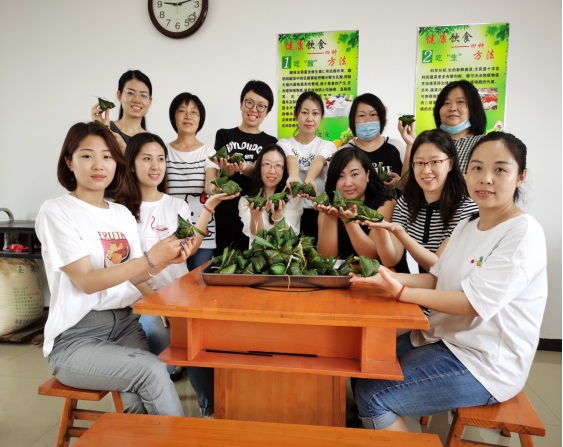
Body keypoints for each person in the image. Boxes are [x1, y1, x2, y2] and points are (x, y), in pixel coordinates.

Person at [351, 132, 547, 432]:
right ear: (466, 173)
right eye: (477, 168)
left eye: (500, 169)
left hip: (485, 362)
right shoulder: (468, 225)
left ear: (520, 176)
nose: (486, 179)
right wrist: (382, 278)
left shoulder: (522, 233)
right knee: (365, 359)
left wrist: (401, 291)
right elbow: (435, 279)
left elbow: (472, 304)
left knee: (372, 394)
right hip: (445, 339)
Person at [35, 122, 195, 416]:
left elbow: (132, 276)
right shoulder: (56, 211)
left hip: (124, 325)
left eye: (107, 156)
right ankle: (182, 436)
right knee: (151, 370)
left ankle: (147, 434)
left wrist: (164, 260)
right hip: (76, 338)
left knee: (138, 402)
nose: (99, 165)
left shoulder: (121, 214)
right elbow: (87, 281)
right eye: (87, 156)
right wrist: (150, 258)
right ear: (69, 162)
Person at [115, 132, 230, 417]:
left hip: (177, 297)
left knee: (199, 336)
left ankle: (210, 410)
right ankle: (152, 407)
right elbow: (124, 270)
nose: (155, 166)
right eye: (146, 159)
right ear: (131, 165)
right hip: (141, 299)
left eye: (160, 159)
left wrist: (209, 207)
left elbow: (189, 247)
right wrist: (155, 302)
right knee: (161, 330)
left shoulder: (176, 205)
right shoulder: (119, 212)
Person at [368, 129, 477, 274]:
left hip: (448, 286)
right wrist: (380, 229)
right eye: (419, 162)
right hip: (414, 283)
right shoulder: (406, 203)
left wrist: (402, 234)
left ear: (450, 164)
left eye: (435, 162)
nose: (426, 170)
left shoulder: (467, 210)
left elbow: (439, 268)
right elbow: (391, 260)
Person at [315, 147, 408, 273]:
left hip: (384, 276)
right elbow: (326, 258)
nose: (348, 183)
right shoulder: (328, 208)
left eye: (354, 174)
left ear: (367, 175)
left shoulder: (385, 204)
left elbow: (372, 257)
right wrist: (330, 216)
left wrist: (348, 220)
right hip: (347, 278)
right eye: (340, 176)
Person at [213, 80, 277, 254]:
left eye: (261, 106)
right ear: (241, 104)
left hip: (254, 210)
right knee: (225, 259)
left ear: (267, 111)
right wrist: (229, 170)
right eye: (249, 102)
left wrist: (243, 167)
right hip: (226, 208)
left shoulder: (271, 142)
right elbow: (223, 173)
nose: (254, 109)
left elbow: (263, 174)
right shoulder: (224, 135)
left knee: (254, 258)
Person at [164, 92, 220, 270]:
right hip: (169, 233)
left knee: (198, 283)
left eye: (194, 112)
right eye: (182, 111)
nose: (188, 116)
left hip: (202, 234)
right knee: (170, 283)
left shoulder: (208, 152)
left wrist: (220, 189)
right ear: (174, 116)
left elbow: (210, 185)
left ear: (200, 119)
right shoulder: (163, 151)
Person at [278, 91, 337, 240]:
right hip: (289, 211)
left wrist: (309, 178)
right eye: (304, 112)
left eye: (315, 113)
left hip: (317, 211)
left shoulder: (327, 145)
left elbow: (319, 160)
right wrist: (293, 175)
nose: (309, 118)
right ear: (296, 114)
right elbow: (291, 158)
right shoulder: (284, 143)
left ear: (321, 117)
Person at [400, 79, 487, 177]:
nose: (452, 108)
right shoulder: (429, 142)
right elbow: (406, 183)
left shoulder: (484, 144)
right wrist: (411, 145)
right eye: (446, 103)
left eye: (460, 102)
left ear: (474, 108)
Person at [239, 143, 303, 245]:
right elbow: (257, 236)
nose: (272, 171)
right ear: (259, 167)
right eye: (267, 164)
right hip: (257, 254)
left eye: (278, 165)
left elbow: (289, 238)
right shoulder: (246, 201)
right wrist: (256, 214)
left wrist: (278, 217)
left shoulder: (293, 198)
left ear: (284, 169)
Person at [342, 93, 403, 191]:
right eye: (361, 115)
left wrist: (400, 184)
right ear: (353, 120)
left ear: (381, 118)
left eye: (373, 114)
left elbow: (410, 185)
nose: (367, 120)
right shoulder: (344, 152)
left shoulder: (397, 146)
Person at [91, 69, 153, 152]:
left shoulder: (152, 141)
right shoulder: (107, 129)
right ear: (119, 95)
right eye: (130, 93)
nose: (137, 100)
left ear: (150, 101)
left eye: (143, 95)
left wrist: (124, 149)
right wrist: (99, 130)